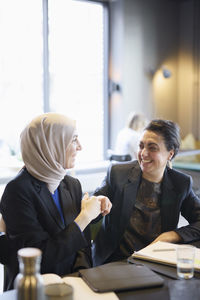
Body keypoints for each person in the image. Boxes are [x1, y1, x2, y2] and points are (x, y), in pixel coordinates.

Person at [0, 112, 112, 290]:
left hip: (74, 284)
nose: (80, 147)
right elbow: (39, 259)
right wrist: (84, 217)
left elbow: (81, 246)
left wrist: (80, 278)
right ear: (50, 145)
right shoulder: (17, 191)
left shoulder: (71, 184)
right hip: (35, 290)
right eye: (73, 140)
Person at [92, 119, 200, 266]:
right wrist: (97, 202)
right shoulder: (118, 174)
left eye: (152, 148)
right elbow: (91, 209)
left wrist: (171, 236)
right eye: (141, 146)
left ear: (170, 153)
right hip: (115, 261)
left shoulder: (181, 184)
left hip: (155, 263)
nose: (143, 153)